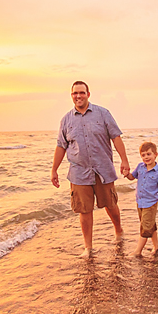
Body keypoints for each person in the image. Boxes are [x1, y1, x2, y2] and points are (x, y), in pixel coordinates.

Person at [52, 81, 131, 257]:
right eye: (75, 93)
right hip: (79, 172)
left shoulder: (103, 114)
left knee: (110, 204)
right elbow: (61, 146)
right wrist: (54, 170)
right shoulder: (66, 120)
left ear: (88, 94)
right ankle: (88, 247)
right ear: (71, 95)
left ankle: (118, 231)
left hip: (103, 169)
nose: (78, 96)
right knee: (84, 209)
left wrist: (124, 160)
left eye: (81, 93)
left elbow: (116, 138)